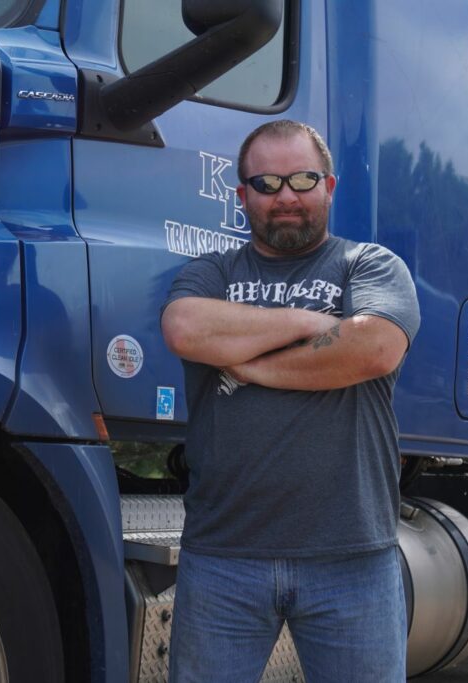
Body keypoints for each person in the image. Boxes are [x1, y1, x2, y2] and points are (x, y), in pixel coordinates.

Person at [160, 119, 420, 682]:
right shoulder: (213, 272)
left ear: (329, 187)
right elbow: (184, 327)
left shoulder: (368, 265)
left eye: (302, 180)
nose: (286, 197)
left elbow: (374, 345)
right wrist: (310, 322)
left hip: (352, 557)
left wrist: (251, 366)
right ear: (241, 196)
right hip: (224, 557)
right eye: (266, 183)